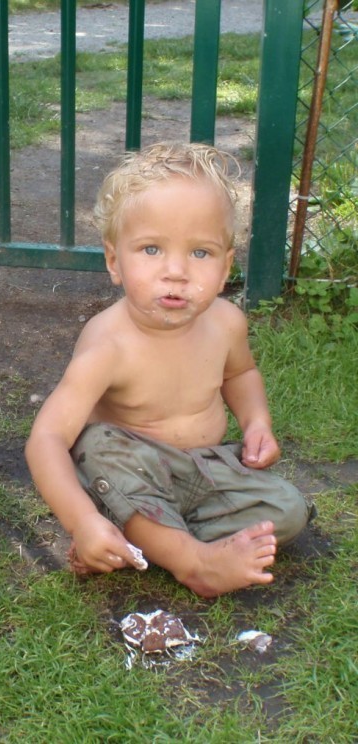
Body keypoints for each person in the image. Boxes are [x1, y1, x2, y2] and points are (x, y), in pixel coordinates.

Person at [25, 142, 313, 598]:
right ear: (114, 261)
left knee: (288, 509)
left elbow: (240, 376)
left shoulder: (225, 323)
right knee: (98, 444)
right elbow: (46, 439)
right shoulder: (109, 345)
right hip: (125, 479)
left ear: (225, 267)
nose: (176, 271)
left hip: (203, 470)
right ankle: (191, 562)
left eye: (200, 253)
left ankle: (145, 540)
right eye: (152, 249)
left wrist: (257, 423)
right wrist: (80, 522)